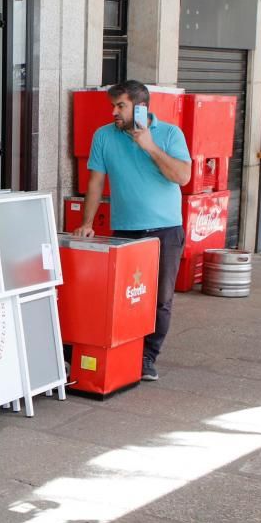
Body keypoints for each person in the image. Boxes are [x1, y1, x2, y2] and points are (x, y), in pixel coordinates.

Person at [73, 80, 192, 382]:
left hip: (165, 229)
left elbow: (182, 177)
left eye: (120, 106)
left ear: (140, 107)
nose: (114, 111)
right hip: (124, 230)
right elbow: (96, 183)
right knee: (124, 297)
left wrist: (149, 145)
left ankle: (148, 356)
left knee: (160, 298)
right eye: (113, 105)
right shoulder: (104, 136)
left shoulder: (169, 134)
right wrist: (87, 222)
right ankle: (125, 351)